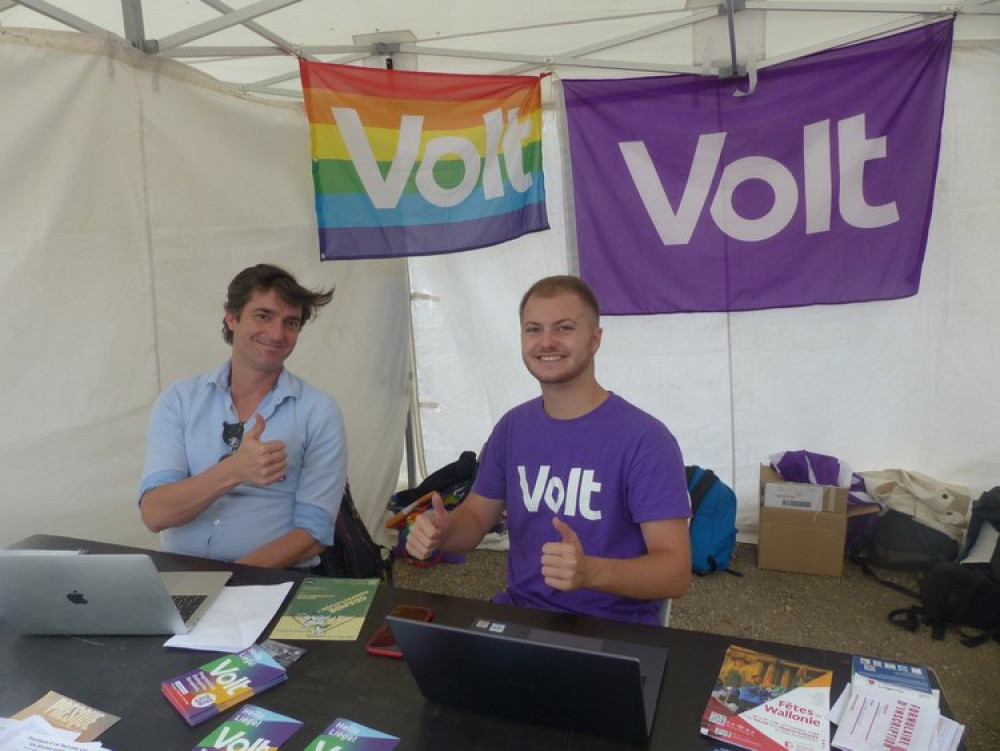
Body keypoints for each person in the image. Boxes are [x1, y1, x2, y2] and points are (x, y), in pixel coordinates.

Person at [406, 275, 691, 624]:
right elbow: (477, 518)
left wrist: (590, 573)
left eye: (564, 328)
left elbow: (675, 572)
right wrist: (443, 532)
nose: (546, 342)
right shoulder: (512, 428)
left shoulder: (646, 440)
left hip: (615, 633)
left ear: (595, 339)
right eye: (533, 329)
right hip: (521, 619)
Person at [139, 264, 347, 570]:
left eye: (291, 323)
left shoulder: (319, 412)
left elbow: (314, 533)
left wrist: (227, 582)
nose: (277, 334)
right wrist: (234, 471)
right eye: (263, 316)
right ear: (231, 318)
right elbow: (155, 515)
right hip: (182, 575)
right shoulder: (179, 400)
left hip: (272, 583)